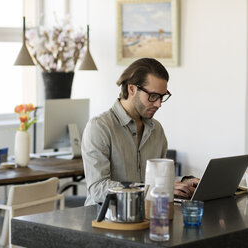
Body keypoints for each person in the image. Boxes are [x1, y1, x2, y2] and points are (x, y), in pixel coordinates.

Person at [81, 58, 199, 206]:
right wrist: (152, 189)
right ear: (131, 89)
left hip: (146, 216)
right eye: (153, 96)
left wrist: (184, 183)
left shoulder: (157, 130)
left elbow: (158, 181)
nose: (159, 104)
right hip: (104, 219)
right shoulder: (99, 127)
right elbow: (98, 189)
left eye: (162, 96)